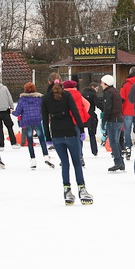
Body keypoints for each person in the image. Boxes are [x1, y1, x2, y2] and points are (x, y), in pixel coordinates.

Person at [42, 77, 92, 205]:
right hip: (70, 132)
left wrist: (48, 138)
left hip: (56, 134)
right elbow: (75, 112)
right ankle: (82, 189)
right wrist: (81, 130)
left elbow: (45, 119)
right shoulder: (67, 95)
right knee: (76, 162)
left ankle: (67, 190)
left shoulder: (46, 98)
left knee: (65, 163)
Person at [13, 82, 53, 170]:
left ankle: (33, 160)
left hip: (27, 121)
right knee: (41, 139)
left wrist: (12, 111)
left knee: (30, 141)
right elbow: (44, 108)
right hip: (37, 120)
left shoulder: (22, 99)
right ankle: (46, 156)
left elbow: (17, 113)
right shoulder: (39, 98)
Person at [100, 75, 125, 172]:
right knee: (116, 141)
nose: (101, 84)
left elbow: (107, 108)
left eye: (102, 82)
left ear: (106, 83)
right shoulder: (115, 91)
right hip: (119, 119)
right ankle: (121, 163)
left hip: (113, 120)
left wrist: (104, 121)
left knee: (113, 142)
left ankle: (118, 162)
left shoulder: (108, 93)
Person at [0, 78, 18, 151]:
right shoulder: (4, 88)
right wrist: (11, 106)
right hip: (5, 110)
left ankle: (1, 145)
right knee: (9, 127)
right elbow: (9, 97)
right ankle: (13, 143)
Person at [119, 66, 135, 160]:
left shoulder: (126, 84)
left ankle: (128, 146)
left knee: (127, 130)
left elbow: (121, 98)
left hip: (127, 110)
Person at [82, 81, 102, 158]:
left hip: (83, 115)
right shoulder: (93, 95)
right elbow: (98, 104)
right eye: (97, 88)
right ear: (92, 87)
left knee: (81, 134)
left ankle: (80, 152)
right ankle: (94, 151)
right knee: (92, 134)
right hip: (91, 115)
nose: (97, 90)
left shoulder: (82, 93)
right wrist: (105, 109)